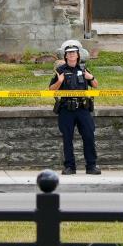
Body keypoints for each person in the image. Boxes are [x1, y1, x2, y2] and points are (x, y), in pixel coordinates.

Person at [49, 40, 101, 175]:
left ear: (78, 55)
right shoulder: (60, 71)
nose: (71, 55)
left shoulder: (83, 69)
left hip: (83, 108)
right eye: (69, 53)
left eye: (74, 53)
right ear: (65, 56)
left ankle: (91, 166)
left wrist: (91, 77)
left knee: (89, 136)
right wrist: (59, 82)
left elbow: (95, 85)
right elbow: (50, 89)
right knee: (67, 138)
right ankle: (69, 167)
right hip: (67, 109)